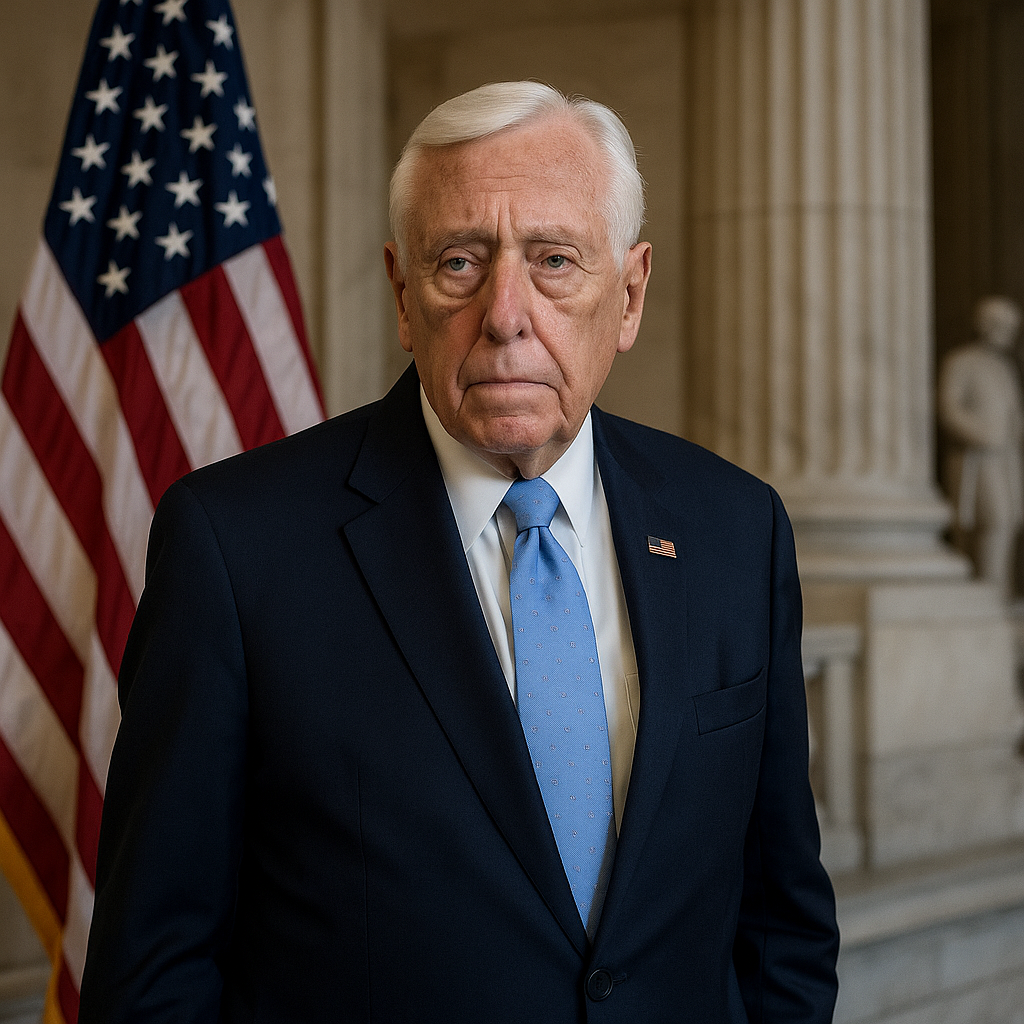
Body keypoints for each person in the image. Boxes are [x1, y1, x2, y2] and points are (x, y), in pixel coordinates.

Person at [79, 81, 839, 1023]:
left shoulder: (736, 527)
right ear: (403, 294)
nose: (506, 315)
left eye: (555, 260)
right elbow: (152, 971)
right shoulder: (236, 547)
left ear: (630, 294)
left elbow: (782, 928)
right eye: (459, 263)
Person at [939, 295, 1024, 600]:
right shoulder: (962, 361)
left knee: (1008, 521)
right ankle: (988, 593)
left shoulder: (1004, 368)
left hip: (1005, 458)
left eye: (1012, 326)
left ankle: (999, 590)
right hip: (979, 457)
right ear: (985, 325)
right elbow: (949, 409)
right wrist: (982, 433)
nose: (1009, 332)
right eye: (1003, 325)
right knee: (992, 519)